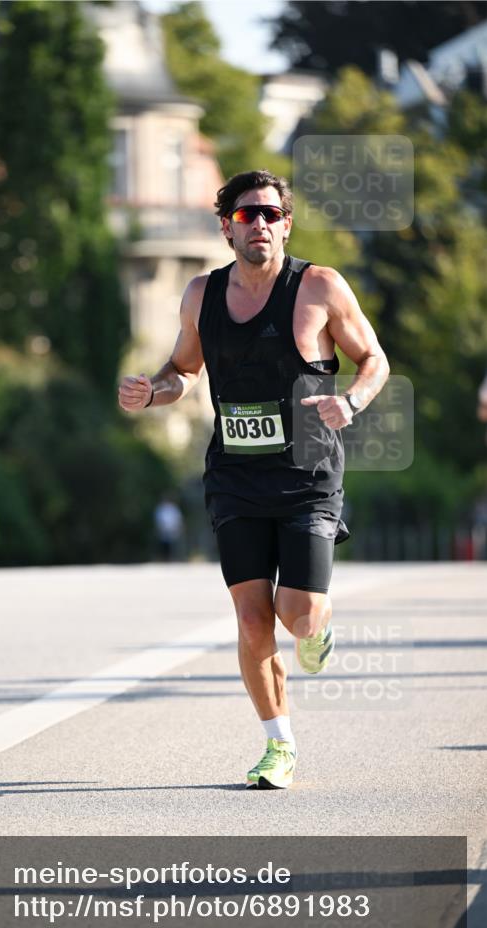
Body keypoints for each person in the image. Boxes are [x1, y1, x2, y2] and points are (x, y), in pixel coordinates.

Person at [118, 169, 389, 789]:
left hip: (307, 476)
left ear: (286, 224)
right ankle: (279, 745)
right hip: (235, 478)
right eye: (247, 215)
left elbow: (374, 359)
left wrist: (350, 401)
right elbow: (182, 370)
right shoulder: (200, 295)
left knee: (297, 616)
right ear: (226, 228)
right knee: (249, 618)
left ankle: (316, 626)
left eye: (270, 214)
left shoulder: (319, 286)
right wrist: (151, 391)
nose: (260, 224)